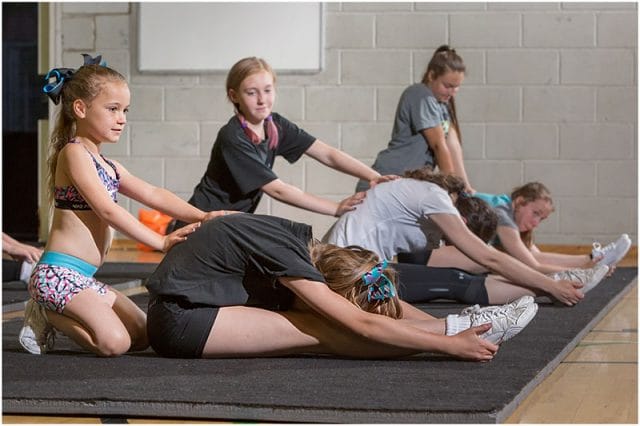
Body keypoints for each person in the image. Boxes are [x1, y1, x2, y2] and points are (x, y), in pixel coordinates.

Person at [19, 54, 227, 356]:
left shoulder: (110, 166)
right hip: (57, 276)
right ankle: (45, 312)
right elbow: (107, 210)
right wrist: (159, 240)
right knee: (114, 343)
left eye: (125, 110)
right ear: (80, 108)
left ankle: (64, 308)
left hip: (82, 278)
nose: (122, 118)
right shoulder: (73, 153)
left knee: (144, 335)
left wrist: (203, 215)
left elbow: (154, 194)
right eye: (113, 109)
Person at [146, 213, 538, 361]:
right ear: (329, 286)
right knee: (325, 330)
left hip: (192, 305)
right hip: (180, 320)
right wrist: (449, 343)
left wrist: (450, 322)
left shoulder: (301, 246)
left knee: (340, 321)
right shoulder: (291, 258)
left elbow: (379, 302)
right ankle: (456, 327)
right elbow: (362, 324)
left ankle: (464, 320)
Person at [172, 56, 396, 230]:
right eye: (252, 93)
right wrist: (335, 208)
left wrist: (372, 176)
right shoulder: (233, 137)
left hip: (230, 223)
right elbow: (278, 190)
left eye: (267, 90)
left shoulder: (275, 125)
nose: (262, 100)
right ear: (234, 96)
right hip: (201, 223)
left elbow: (326, 153)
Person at [325, 168, 588, 306]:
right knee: (454, 281)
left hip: (355, 263)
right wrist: (550, 284)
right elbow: (489, 257)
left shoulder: (430, 196)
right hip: (348, 271)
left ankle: (547, 290)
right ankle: (547, 290)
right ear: (461, 222)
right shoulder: (435, 198)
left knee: (460, 277)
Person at [356, 45, 474, 194]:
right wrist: (452, 189)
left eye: (456, 87)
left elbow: (453, 147)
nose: (452, 93)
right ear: (431, 76)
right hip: (390, 178)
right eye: (448, 86)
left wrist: (464, 186)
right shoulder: (420, 95)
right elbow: (438, 145)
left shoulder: (443, 106)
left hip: (409, 183)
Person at [465, 183, 632, 275]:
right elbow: (533, 267)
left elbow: (535, 256)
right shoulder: (502, 214)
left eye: (541, 218)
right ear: (520, 201)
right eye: (535, 213)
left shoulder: (508, 207)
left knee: (527, 258)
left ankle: (595, 256)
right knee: (517, 265)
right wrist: (588, 271)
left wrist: (589, 262)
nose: (536, 222)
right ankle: (594, 260)